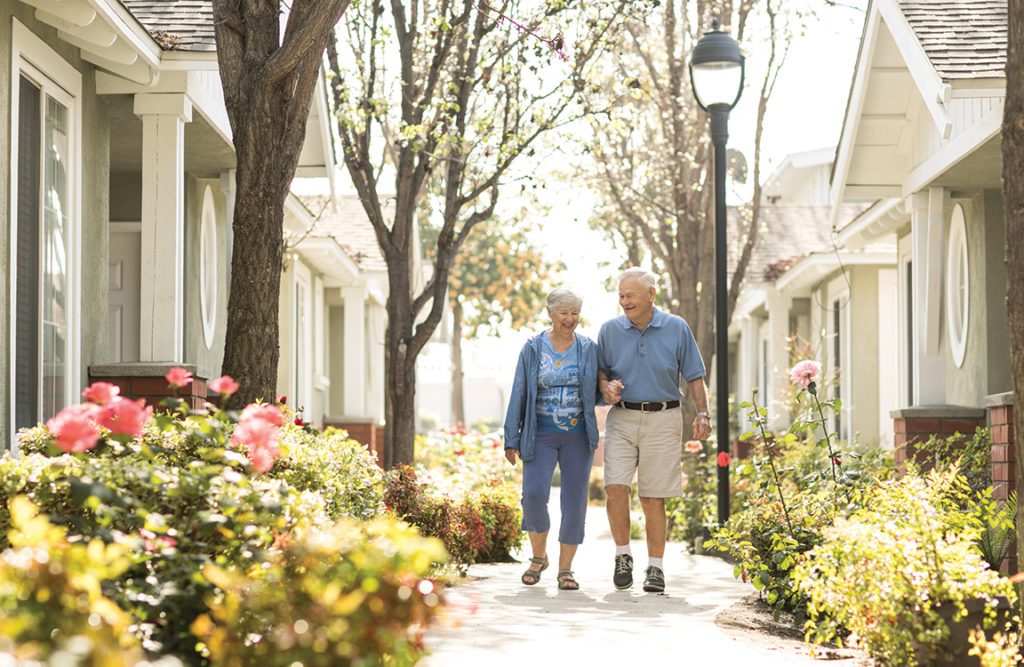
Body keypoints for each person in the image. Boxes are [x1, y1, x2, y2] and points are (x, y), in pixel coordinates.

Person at [597, 267, 711, 593]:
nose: (624, 301)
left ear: (650, 295)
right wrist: (606, 388)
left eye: (630, 295)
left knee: (652, 496)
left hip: (664, 417)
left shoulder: (676, 328)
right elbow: (601, 374)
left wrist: (702, 412)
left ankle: (656, 568)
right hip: (622, 417)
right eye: (620, 296)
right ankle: (622, 556)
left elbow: (693, 375)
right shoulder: (610, 330)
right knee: (615, 487)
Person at [504, 287, 601, 591]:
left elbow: (597, 386)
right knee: (533, 495)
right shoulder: (533, 348)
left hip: (577, 434)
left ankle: (566, 569)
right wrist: (511, 437)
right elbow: (519, 390)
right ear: (550, 313)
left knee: (574, 501)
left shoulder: (587, 348)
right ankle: (538, 556)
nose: (570, 319)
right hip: (539, 433)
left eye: (574, 313)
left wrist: (611, 388)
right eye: (564, 313)